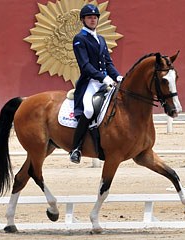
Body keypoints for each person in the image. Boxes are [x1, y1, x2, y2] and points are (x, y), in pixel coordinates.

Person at [70, 4, 122, 164]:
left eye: (94, 17)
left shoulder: (100, 39)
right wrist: (103, 78)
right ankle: (76, 148)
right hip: (89, 83)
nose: (92, 20)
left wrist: (117, 76)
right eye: (89, 17)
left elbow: (108, 62)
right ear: (83, 20)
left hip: (104, 81)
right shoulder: (80, 39)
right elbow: (85, 65)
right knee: (89, 109)